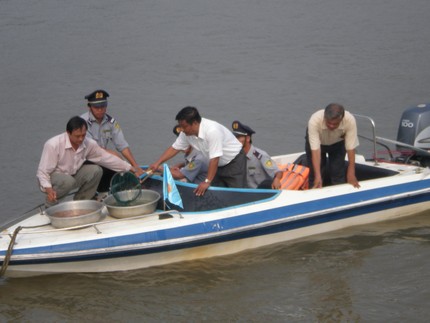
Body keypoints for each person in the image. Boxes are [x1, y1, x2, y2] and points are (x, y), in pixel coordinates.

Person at [37, 116, 138, 207]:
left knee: (96, 170)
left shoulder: (89, 143)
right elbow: (42, 173)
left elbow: (106, 158)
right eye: (77, 136)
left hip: (72, 174)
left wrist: (130, 168)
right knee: (68, 181)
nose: (81, 139)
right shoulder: (53, 145)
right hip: (52, 177)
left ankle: (81, 203)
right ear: (68, 133)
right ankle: (50, 205)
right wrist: (49, 189)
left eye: (83, 135)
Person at [149, 106, 247, 196]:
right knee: (215, 192)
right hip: (216, 164)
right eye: (180, 126)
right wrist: (157, 163)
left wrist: (207, 181)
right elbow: (175, 148)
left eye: (184, 126)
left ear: (195, 123)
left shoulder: (212, 131)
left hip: (234, 161)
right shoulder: (186, 133)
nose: (182, 130)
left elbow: (215, 158)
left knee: (237, 193)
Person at [80, 89, 144, 192]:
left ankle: (105, 194)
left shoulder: (111, 122)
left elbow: (122, 146)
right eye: (97, 107)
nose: (100, 109)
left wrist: (135, 166)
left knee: (119, 172)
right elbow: (94, 149)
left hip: (104, 158)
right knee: (115, 165)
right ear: (89, 107)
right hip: (86, 159)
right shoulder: (82, 122)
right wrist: (119, 160)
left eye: (103, 106)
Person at [305, 103, 360, 188]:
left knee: (337, 173)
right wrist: (318, 176)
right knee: (314, 174)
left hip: (338, 143)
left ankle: (339, 195)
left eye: (335, 124)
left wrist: (351, 173)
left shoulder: (350, 121)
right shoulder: (314, 121)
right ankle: (315, 191)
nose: (331, 126)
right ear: (325, 117)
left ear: (341, 119)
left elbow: (350, 148)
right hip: (318, 144)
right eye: (329, 123)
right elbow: (315, 150)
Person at [231, 120, 282, 189]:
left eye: (239, 137)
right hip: (244, 194)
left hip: (261, 193)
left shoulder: (260, 156)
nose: (236, 140)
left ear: (248, 139)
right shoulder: (235, 157)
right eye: (235, 137)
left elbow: (278, 172)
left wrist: (277, 179)